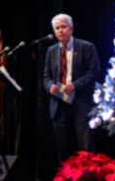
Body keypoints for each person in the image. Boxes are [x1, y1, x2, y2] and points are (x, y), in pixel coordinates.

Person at [43, 13, 101, 163]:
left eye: (63, 27)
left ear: (71, 28)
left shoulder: (86, 47)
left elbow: (94, 72)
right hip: (59, 104)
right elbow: (46, 77)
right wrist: (50, 86)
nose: (60, 30)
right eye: (57, 28)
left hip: (81, 102)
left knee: (85, 148)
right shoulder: (52, 51)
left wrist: (75, 85)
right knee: (63, 149)